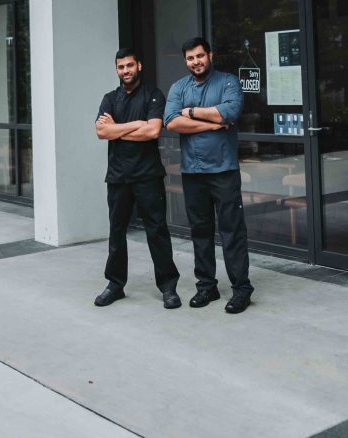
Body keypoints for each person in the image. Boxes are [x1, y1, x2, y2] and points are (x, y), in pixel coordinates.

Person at [164, 37, 254, 314]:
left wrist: (190, 112)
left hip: (224, 171)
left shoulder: (228, 82)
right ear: (185, 61)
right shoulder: (178, 87)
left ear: (210, 55)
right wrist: (213, 123)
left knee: (232, 232)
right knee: (200, 232)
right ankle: (207, 286)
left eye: (200, 56)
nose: (196, 62)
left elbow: (229, 111)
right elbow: (171, 122)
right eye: (190, 58)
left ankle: (241, 290)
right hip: (193, 172)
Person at [94, 48, 181, 309]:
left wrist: (116, 129)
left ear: (139, 66)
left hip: (148, 176)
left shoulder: (153, 95)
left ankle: (168, 287)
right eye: (121, 67)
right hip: (118, 177)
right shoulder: (110, 98)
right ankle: (115, 285)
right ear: (117, 69)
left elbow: (153, 131)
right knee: (116, 232)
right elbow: (101, 132)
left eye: (130, 65)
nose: (125, 71)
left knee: (157, 231)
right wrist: (135, 125)